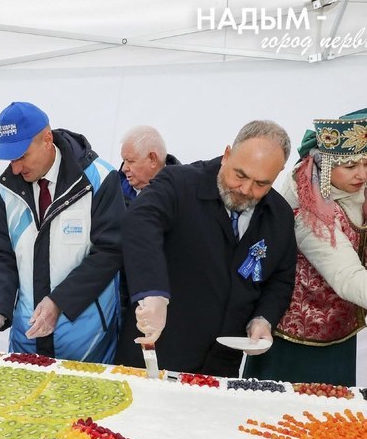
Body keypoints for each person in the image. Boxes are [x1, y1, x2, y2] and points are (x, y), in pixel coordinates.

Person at [116, 120, 297, 377]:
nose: (246, 190)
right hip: (159, 353)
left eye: (261, 184)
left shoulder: (280, 216)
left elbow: (281, 278)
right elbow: (139, 222)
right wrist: (153, 293)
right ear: (227, 155)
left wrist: (263, 319)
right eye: (240, 175)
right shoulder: (179, 183)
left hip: (221, 364)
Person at [0, 101, 124, 363]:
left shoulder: (100, 178)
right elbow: (2, 257)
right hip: (26, 338)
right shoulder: (6, 189)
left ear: (47, 139)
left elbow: (111, 252)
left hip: (87, 341)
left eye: (22, 156)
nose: (16, 168)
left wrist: (59, 302)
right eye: (10, 159)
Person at [244, 109, 367, 386]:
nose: (361, 174)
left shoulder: (354, 191)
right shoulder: (309, 211)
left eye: (366, 164)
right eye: (350, 166)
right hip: (295, 344)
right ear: (324, 165)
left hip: (338, 333)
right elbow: (347, 276)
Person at [118, 125, 181, 206]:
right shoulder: (113, 191)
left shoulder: (184, 194)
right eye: (124, 161)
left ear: (153, 159)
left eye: (130, 161)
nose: (124, 168)